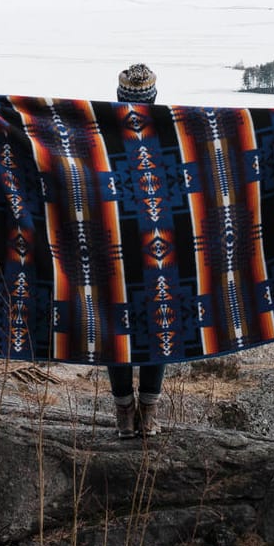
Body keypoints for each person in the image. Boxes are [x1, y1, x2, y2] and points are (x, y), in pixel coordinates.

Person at [110, 62, 166, 438]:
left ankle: (124, 417)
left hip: (112, 240)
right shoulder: (170, 132)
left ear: (118, 97)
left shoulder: (99, 131)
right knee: (158, 324)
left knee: (116, 326)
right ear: (155, 97)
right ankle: (147, 415)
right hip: (158, 244)